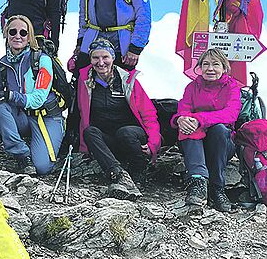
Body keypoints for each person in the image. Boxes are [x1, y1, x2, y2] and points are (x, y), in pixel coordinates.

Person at [0, 15, 65, 175]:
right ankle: (22, 156)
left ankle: (51, 141)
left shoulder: (42, 61)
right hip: (23, 117)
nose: (17, 36)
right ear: (6, 34)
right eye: (12, 31)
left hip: (47, 117)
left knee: (42, 168)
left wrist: (10, 95)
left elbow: (38, 99)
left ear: (29, 36)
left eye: (23, 33)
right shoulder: (2, 64)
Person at [75, 38, 160, 200]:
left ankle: (139, 171)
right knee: (90, 132)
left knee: (125, 132)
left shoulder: (128, 80)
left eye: (105, 57)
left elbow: (149, 114)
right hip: (108, 140)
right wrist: (84, 149)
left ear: (113, 58)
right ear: (90, 59)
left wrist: (153, 144)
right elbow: (83, 115)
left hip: (131, 137)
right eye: (95, 58)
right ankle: (119, 174)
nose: (101, 62)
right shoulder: (85, 80)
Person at [172, 49, 241, 212]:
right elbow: (183, 109)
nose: (210, 68)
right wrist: (181, 119)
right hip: (194, 143)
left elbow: (230, 114)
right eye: (206, 64)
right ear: (200, 67)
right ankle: (198, 183)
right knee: (187, 126)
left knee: (219, 129)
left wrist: (199, 119)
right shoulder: (192, 87)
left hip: (222, 144)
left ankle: (217, 188)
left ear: (224, 68)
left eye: (215, 64)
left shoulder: (232, 87)